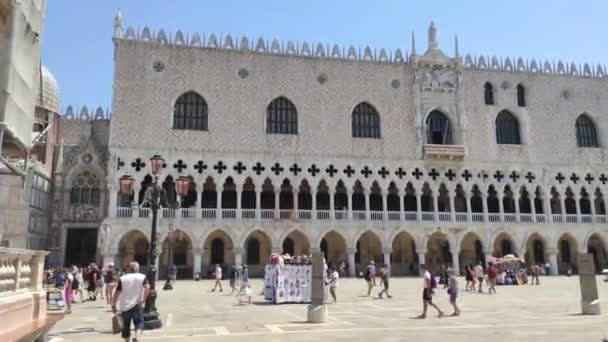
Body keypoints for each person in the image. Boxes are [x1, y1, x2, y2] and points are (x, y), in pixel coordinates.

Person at [112, 262, 150, 342]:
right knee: (139, 323)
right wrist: (143, 300)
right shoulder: (142, 277)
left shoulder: (123, 278)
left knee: (126, 326)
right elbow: (147, 287)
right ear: (137, 268)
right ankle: (137, 337)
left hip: (125, 306)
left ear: (129, 268)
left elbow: (117, 292)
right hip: (137, 305)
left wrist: (114, 305)